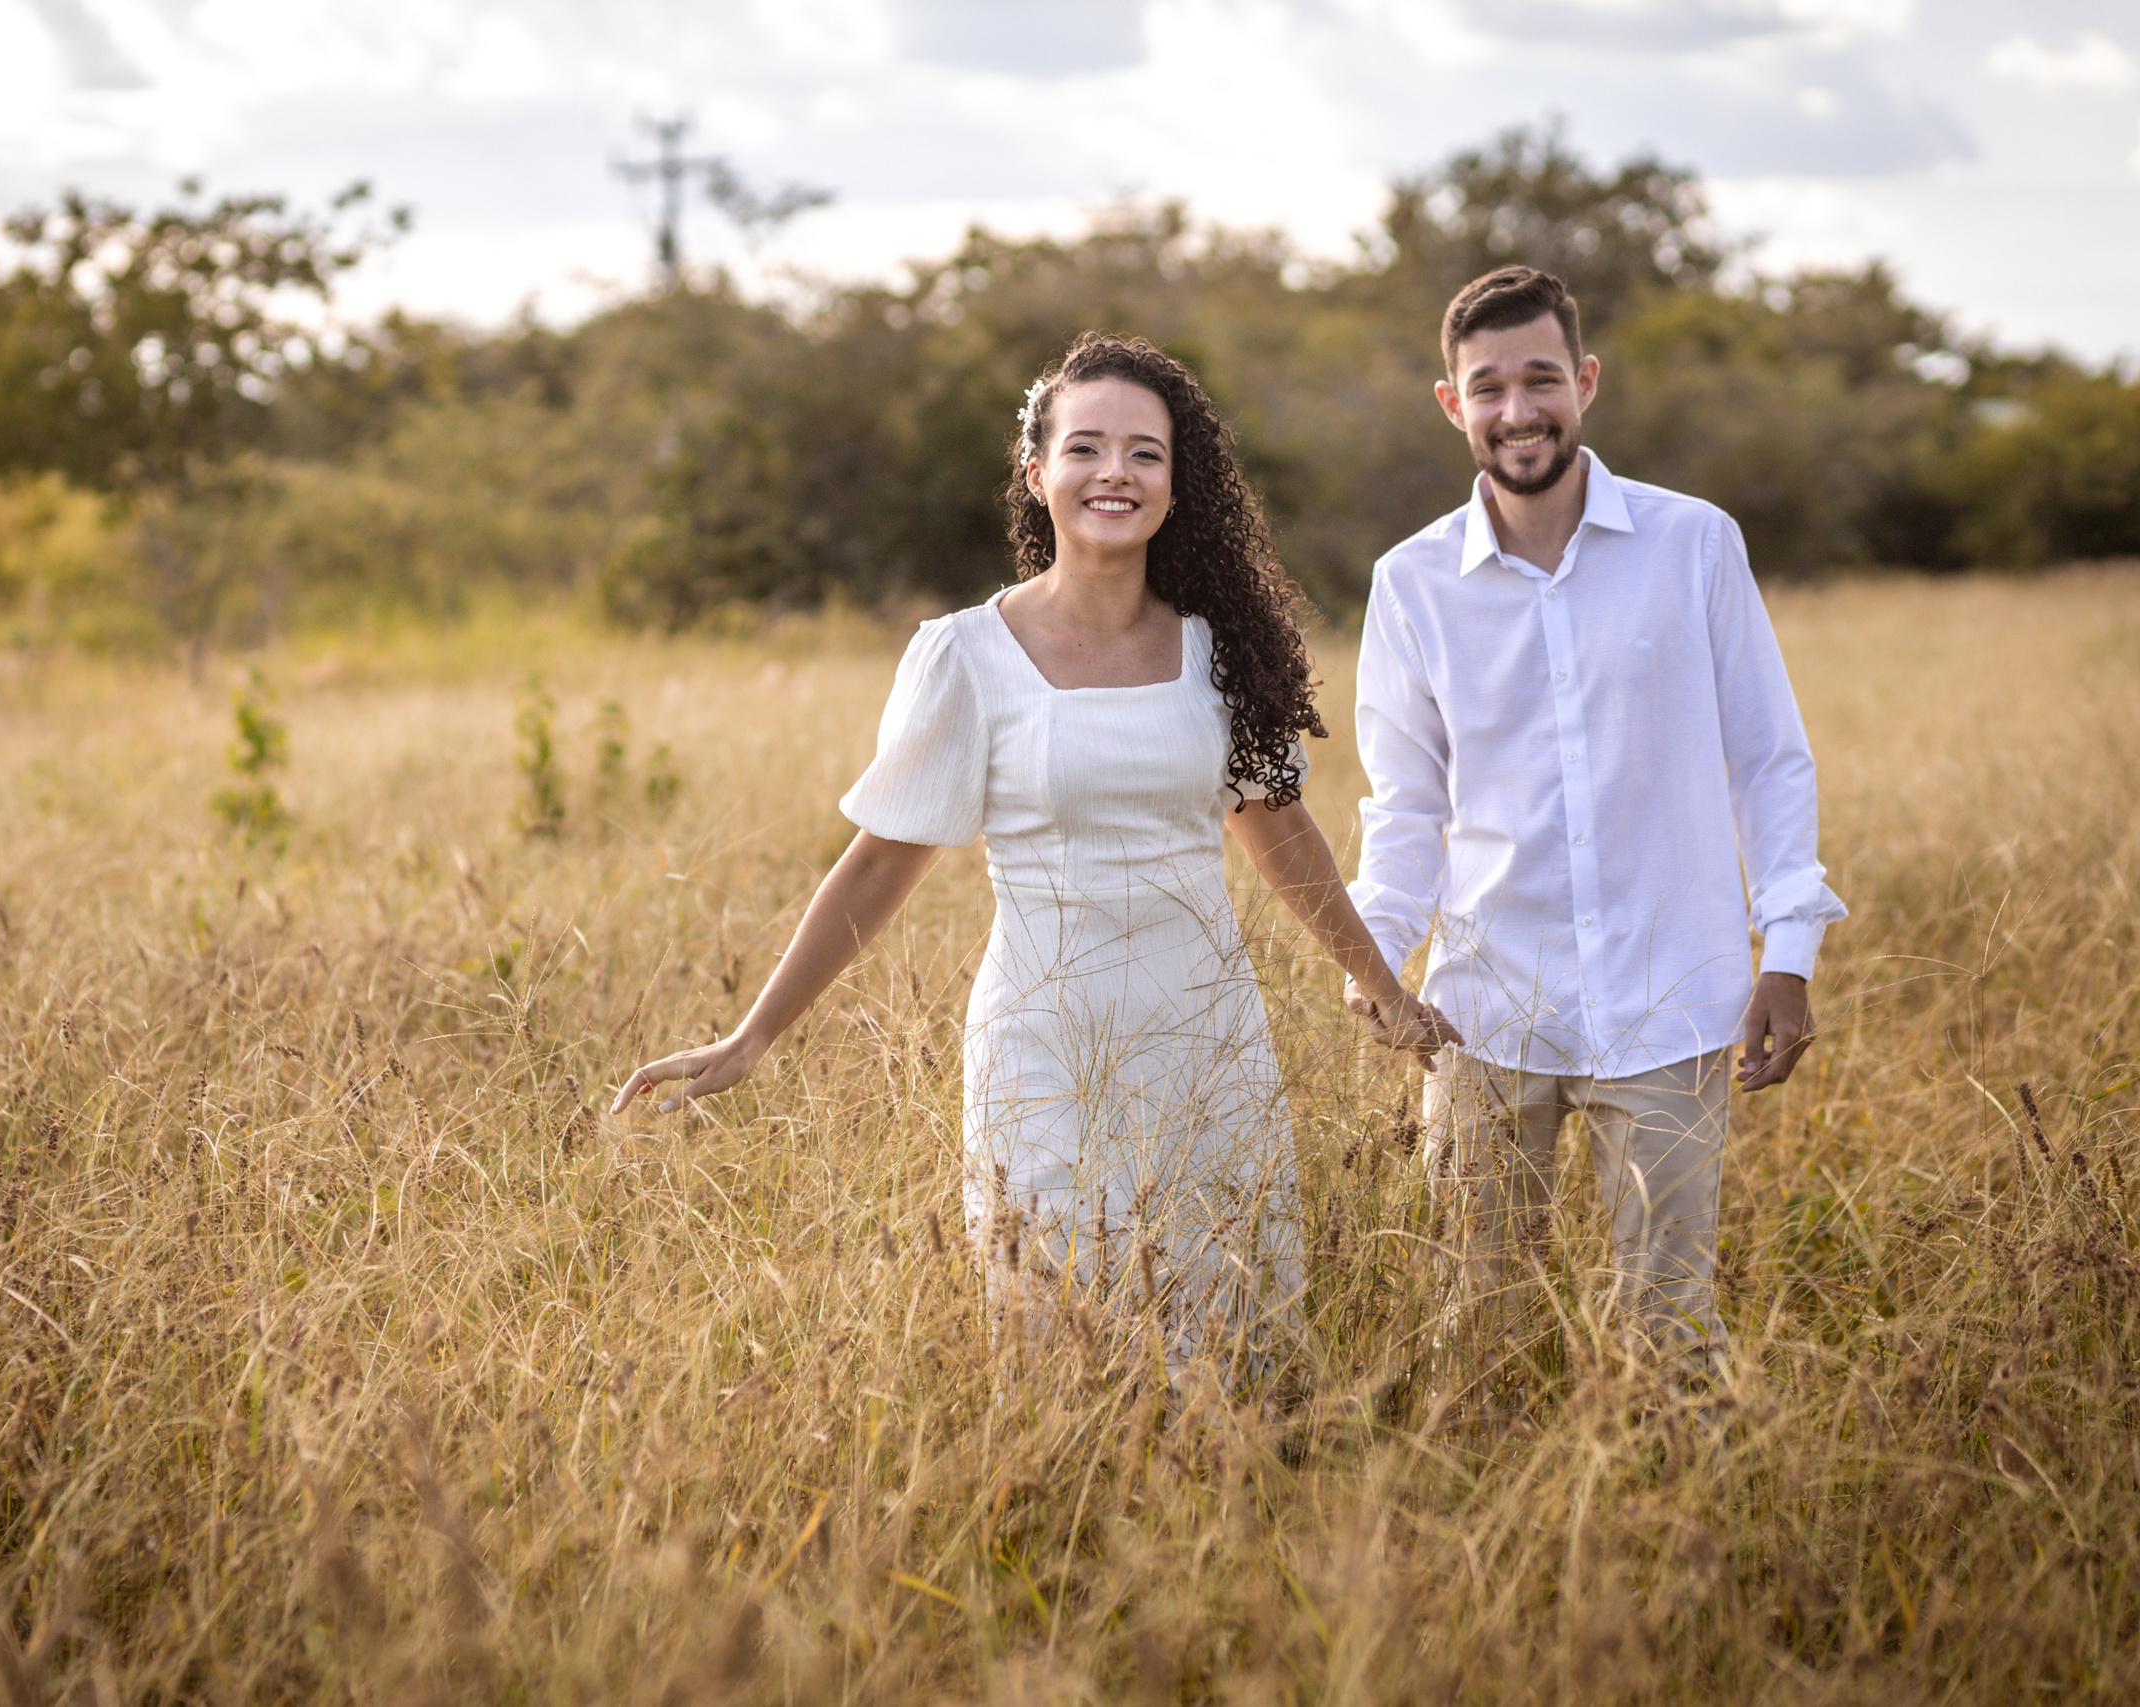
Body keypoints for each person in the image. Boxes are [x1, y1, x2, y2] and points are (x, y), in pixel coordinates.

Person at [616, 333, 1452, 1371]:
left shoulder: (1220, 649)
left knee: (1225, 1338)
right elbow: (879, 863)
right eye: (1086, 448)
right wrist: (748, 1041)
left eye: (1145, 453)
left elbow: (1277, 829)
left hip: (1206, 1043)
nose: (1115, 473)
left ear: (1178, 480)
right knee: (1059, 1336)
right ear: (1035, 470)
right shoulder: (966, 654)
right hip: (1041, 1048)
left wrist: (1382, 986)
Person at [1345, 266, 1846, 1384]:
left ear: (1585, 382)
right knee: (1473, 1330)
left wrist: (1790, 956)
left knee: (1669, 1326)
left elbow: (1765, 761)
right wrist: (1376, 957)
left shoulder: (1694, 544)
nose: (1516, 410)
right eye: (1488, 387)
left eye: (1538, 379)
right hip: (1481, 1014)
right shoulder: (1410, 582)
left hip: (1671, 999)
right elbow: (1406, 803)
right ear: (1450, 404)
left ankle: (1689, 1543)